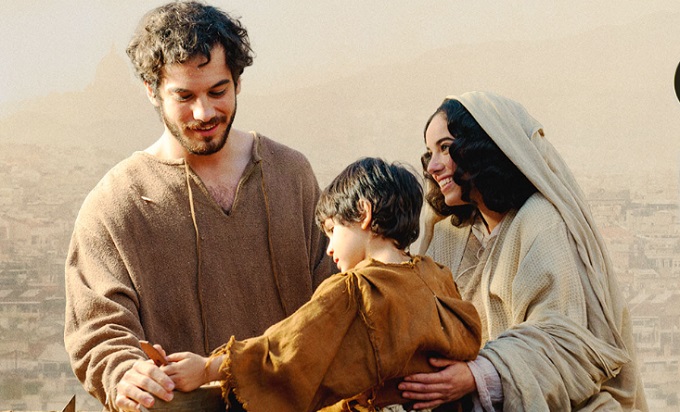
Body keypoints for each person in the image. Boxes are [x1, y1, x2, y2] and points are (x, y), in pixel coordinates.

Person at [63, 2, 334, 410]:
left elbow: (335, 296)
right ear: (151, 91)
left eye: (217, 91)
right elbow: (99, 330)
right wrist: (125, 373)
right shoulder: (115, 204)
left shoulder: (291, 175)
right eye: (184, 96)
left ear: (238, 82)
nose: (204, 112)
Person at [154, 157, 482, 411]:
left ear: (364, 214)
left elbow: (286, 349)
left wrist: (208, 369)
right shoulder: (435, 276)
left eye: (331, 230)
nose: (328, 248)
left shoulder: (355, 290)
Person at [399, 91, 648, 411]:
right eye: (429, 153)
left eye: (445, 148)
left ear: (481, 148)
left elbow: (561, 346)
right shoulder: (449, 234)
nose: (433, 166)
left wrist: (477, 375)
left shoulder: (539, 221)